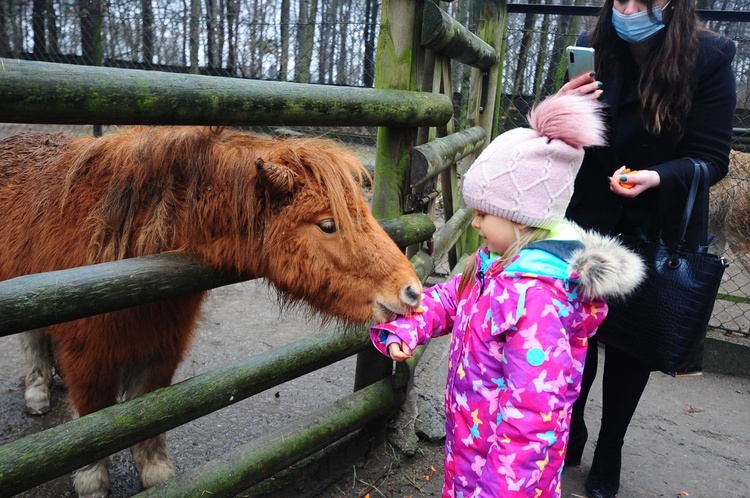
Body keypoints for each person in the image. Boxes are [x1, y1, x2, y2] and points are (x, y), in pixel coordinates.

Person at [369, 94, 646, 498]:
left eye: (483, 213)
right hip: (471, 443)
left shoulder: (539, 300)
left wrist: (503, 490)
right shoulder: (492, 261)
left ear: (523, 218)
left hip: (506, 475)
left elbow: (533, 416)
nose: (475, 222)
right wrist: (409, 327)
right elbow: (450, 299)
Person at [558, 1, 737, 497]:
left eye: (644, 0)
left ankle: (610, 448)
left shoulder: (711, 57)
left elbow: (711, 159)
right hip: (588, 214)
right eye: (621, 0)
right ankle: (571, 427)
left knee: (628, 343)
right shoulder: (594, 48)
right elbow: (561, 136)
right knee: (575, 331)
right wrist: (563, 105)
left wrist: (656, 178)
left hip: (654, 221)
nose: (630, 9)